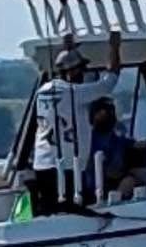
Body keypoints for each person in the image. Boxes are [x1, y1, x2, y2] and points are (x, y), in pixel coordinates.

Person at [31, 27, 122, 212]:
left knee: (50, 210)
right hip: (67, 167)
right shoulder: (74, 93)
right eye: (81, 70)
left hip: (41, 164)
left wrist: (67, 49)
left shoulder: (41, 92)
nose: (83, 74)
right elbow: (109, 82)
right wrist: (114, 47)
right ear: (72, 72)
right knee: (72, 209)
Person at [85, 95, 137, 200]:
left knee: (130, 181)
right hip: (89, 190)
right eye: (100, 111)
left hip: (112, 188)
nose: (104, 113)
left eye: (108, 111)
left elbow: (131, 144)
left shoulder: (117, 140)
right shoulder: (85, 140)